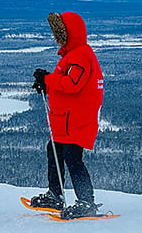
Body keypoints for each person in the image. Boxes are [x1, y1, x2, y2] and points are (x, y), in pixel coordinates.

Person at [30, 12, 104, 219]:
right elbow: (65, 83)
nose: (55, 38)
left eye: (58, 34)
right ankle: (56, 194)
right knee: (54, 150)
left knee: (72, 157)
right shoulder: (73, 55)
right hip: (67, 120)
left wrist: (48, 80)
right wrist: (47, 83)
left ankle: (86, 202)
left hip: (76, 121)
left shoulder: (80, 55)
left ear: (68, 34)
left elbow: (73, 84)